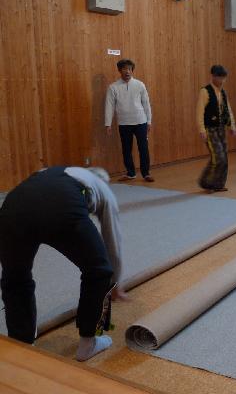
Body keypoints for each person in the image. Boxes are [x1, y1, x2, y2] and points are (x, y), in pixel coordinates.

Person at [0, 166, 125, 361]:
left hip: (12, 207)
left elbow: (34, 194)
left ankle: (22, 344)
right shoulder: (104, 189)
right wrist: (114, 282)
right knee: (99, 270)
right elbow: (112, 240)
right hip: (61, 205)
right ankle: (88, 344)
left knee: (15, 277)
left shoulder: (53, 171)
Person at [105, 59, 154, 182]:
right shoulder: (113, 87)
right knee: (126, 149)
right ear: (119, 70)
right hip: (124, 123)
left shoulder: (140, 84)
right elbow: (109, 106)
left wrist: (149, 121)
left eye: (129, 69)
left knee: (143, 148)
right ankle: (131, 173)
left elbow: (146, 103)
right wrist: (108, 124)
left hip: (141, 121)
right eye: (124, 69)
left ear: (132, 71)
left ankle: (146, 173)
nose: (127, 71)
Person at [197, 65, 236, 192]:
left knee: (223, 157)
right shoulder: (205, 91)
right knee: (218, 157)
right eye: (220, 78)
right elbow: (199, 112)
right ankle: (206, 183)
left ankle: (219, 184)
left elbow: (228, 109)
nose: (222, 81)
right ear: (213, 76)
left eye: (224, 78)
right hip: (210, 129)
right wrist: (202, 130)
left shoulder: (223, 92)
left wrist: (232, 125)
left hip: (221, 128)